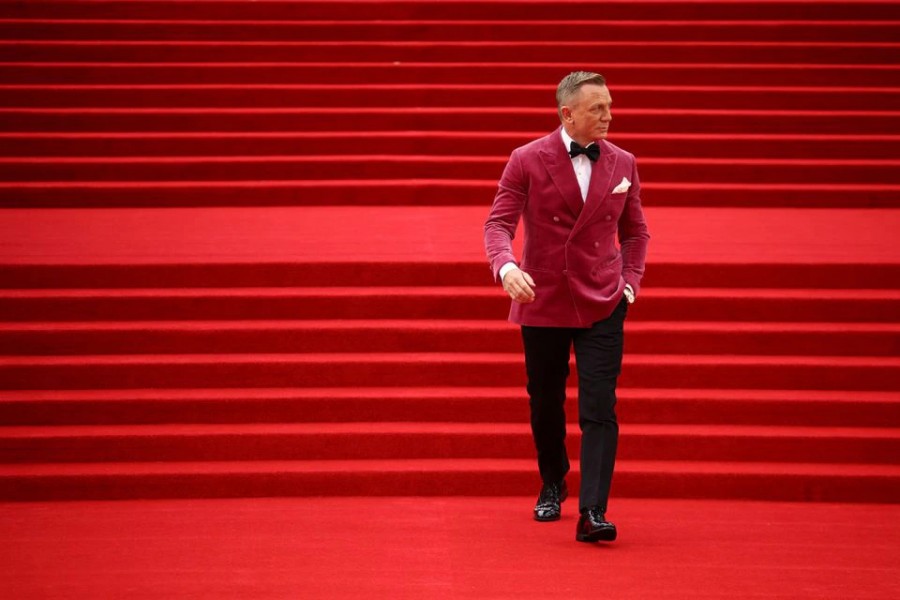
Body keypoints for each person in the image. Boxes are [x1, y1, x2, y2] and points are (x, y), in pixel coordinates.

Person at [483, 71, 649, 543]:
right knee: (546, 403)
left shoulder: (624, 163)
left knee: (600, 405)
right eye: (597, 108)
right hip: (543, 295)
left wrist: (630, 283)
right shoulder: (527, 159)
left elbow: (636, 233)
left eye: (610, 106)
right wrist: (506, 267)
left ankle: (593, 511)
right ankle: (553, 480)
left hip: (603, 296)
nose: (608, 117)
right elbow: (498, 222)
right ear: (567, 114)